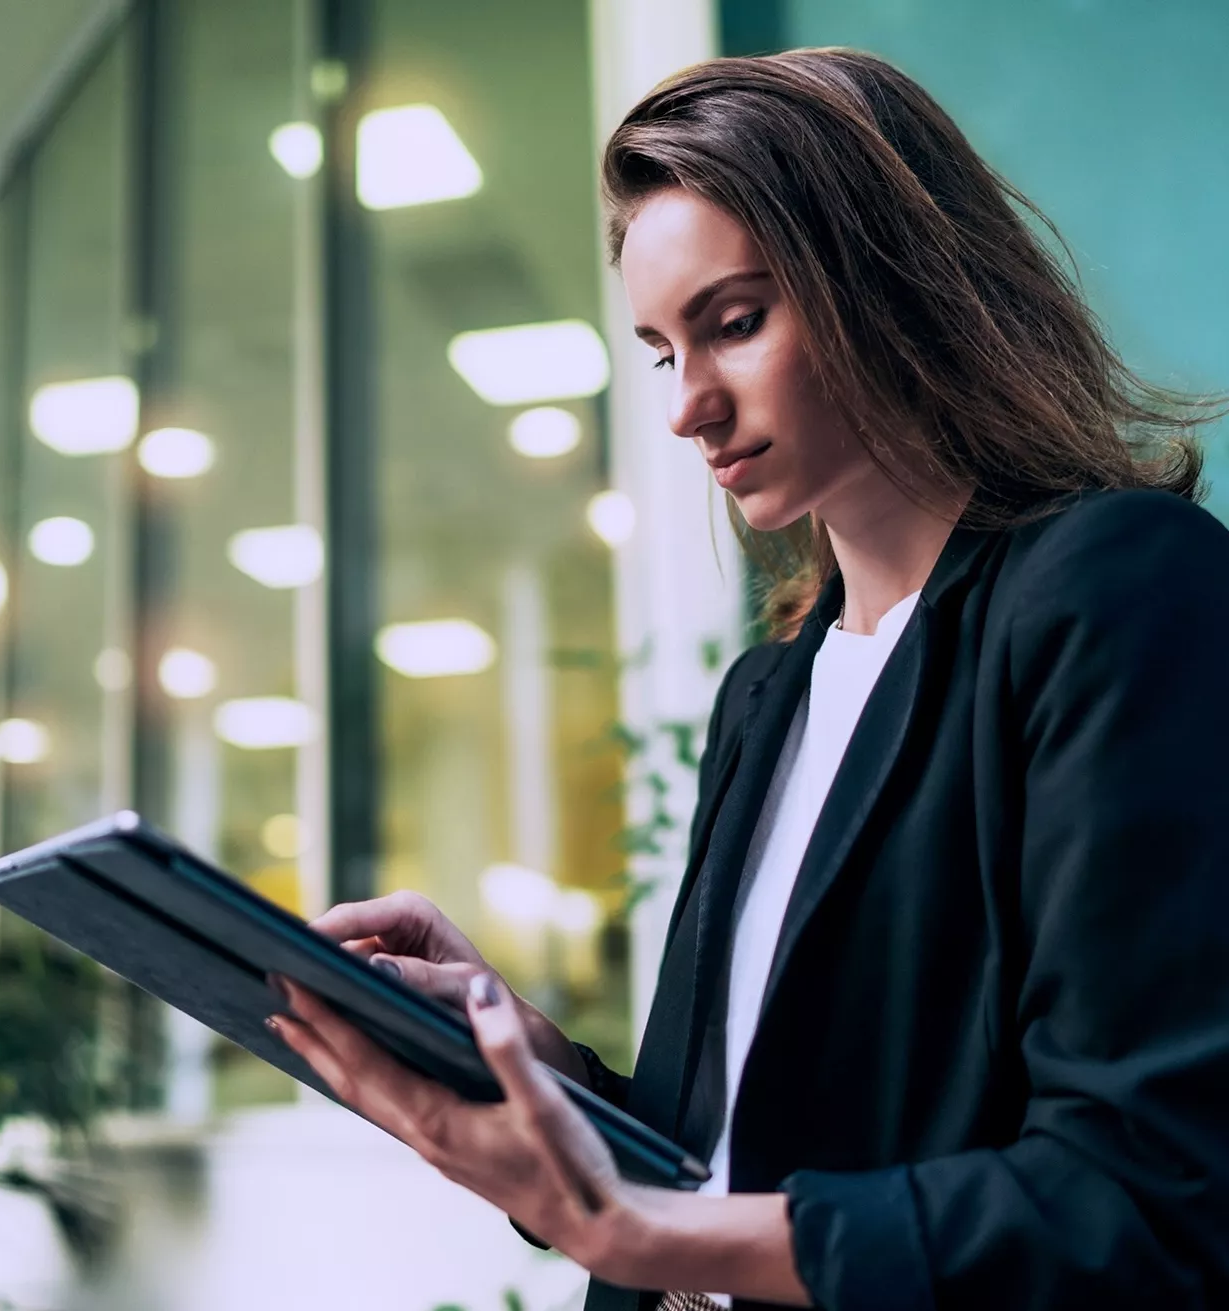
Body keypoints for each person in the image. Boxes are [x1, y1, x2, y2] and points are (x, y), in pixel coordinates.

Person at [266, 48, 1229, 1310]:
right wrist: (531, 1060)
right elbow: (724, 1159)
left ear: (895, 281)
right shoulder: (767, 699)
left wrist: (641, 1237)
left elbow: (1143, 1199)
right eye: (665, 350)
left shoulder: (1114, 589)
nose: (688, 406)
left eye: (736, 322)